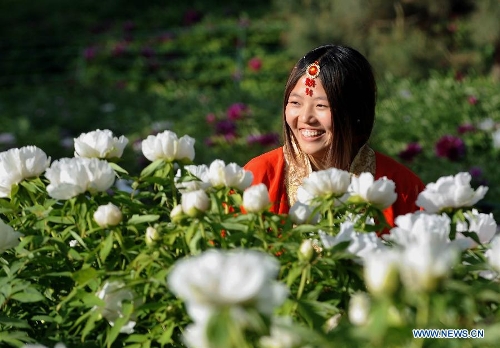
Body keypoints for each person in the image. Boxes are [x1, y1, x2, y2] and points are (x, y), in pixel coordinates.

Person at [244, 44, 425, 227]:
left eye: (321, 105)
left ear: (356, 112)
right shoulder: (259, 177)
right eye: (296, 103)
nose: (305, 117)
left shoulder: (402, 188)